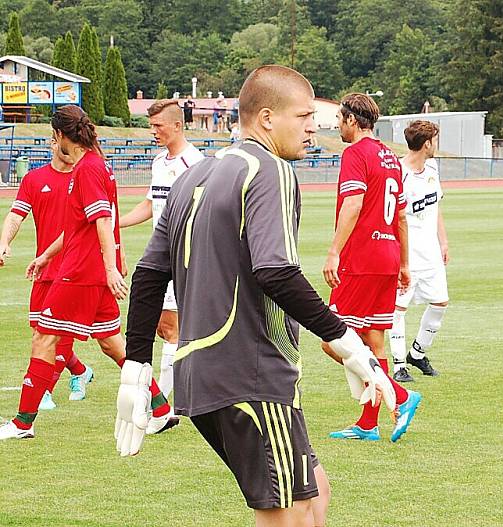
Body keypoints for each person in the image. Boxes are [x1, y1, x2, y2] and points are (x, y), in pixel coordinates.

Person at [118, 65, 395, 527]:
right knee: (288, 516)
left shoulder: (194, 175)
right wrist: (350, 347)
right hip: (250, 375)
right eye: (304, 116)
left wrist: (135, 366)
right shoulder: (272, 170)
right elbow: (276, 272)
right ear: (267, 118)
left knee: (315, 493)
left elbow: (148, 274)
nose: (314, 126)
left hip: (203, 375)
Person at [0, 105, 175, 441]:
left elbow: (102, 221)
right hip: (85, 270)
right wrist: (45, 256)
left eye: (55, 135)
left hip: (80, 272)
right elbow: (77, 226)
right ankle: (161, 408)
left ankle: (23, 422)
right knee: (113, 345)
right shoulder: (97, 166)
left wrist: (110, 267)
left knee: (44, 337)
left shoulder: (87, 170)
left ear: (62, 136)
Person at [322, 93, 421, 443]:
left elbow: (352, 203)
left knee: (333, 341)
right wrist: (404, 263)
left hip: (361, 258)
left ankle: (401, 394)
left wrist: (334, 252)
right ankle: (367, 424)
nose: (338, 125)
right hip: (389, 254)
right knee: (374, 339)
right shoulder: (391, 158)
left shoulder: (355, 153)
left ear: (351, 119)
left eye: (339, 118)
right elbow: (402, 216)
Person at [119, 99, 204, 425]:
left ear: (177, 125)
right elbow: (150, 205)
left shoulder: (194, 163)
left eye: (158, 126)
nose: (153, 131)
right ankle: (167, 405)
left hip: (184, 258)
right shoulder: (159, 162)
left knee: (171, 329)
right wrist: (118, 222)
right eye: (151, 126)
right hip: (161, 258)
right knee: (165, 327)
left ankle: (162, 409)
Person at [0, 140, 95, 407]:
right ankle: (80, 371)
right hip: (45, 269)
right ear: (55, 142)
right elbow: (16, 215)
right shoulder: (34, 179)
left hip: (76, 269)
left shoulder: (85, 176)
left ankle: (45, 391)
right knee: (41, 335)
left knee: (58, 335)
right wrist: (4, 242)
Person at [389, 120, 449, 382]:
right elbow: (392, 216)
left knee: (440, 303)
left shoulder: (433, 167)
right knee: (398, 308)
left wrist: (443, 242)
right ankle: (399, 364)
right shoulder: (398, 172)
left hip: (431, 252)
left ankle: (417, 353)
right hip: (407, 254)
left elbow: (436, 208)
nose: (436, 145)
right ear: (427, 144)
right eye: (435, 140)